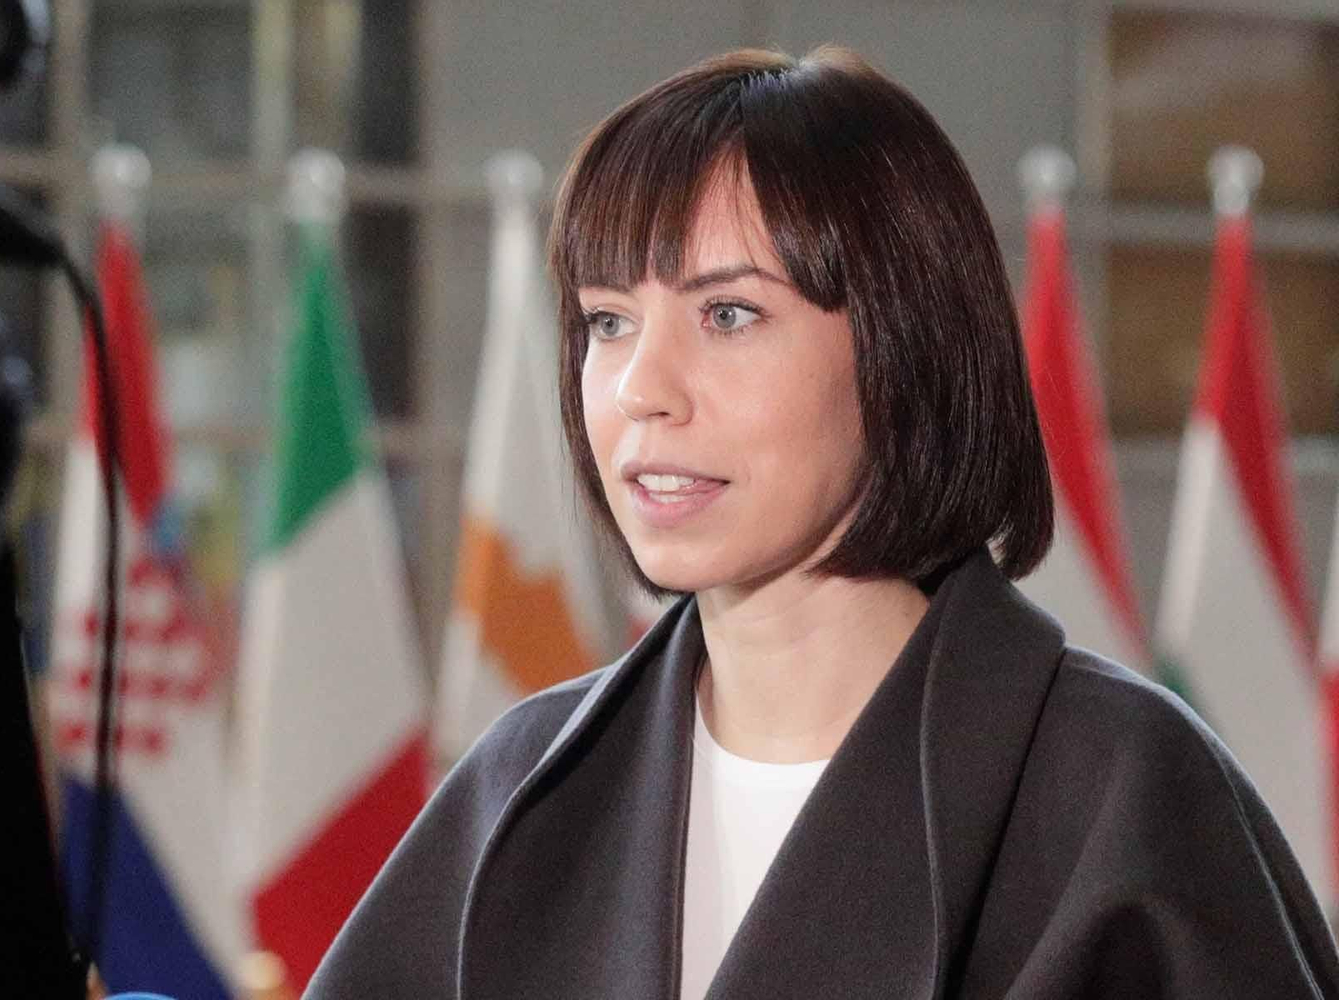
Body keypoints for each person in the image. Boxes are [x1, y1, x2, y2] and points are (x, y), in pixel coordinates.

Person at [304, 47, 1339, 998]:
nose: (640, 389)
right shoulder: (519, 786)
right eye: (607, 321)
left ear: (904, 349)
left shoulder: (1120, 791)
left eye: (729, 315)